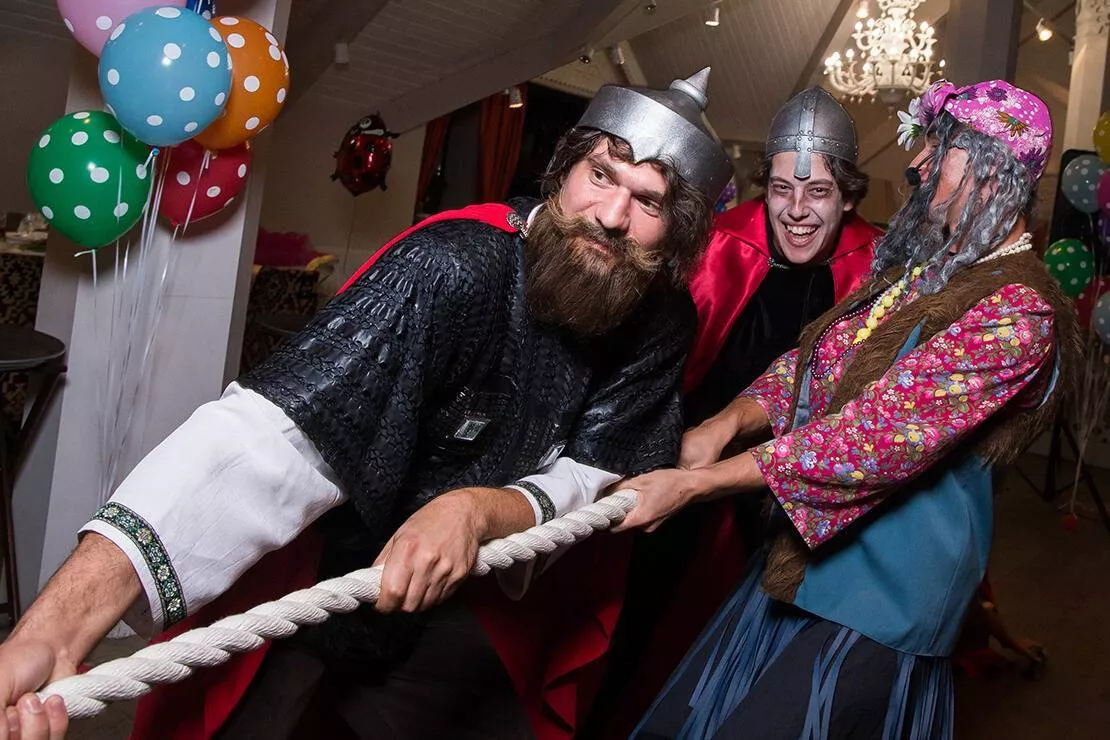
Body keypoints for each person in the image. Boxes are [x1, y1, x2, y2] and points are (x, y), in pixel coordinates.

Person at [0, 70, 732, 740]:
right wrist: (56, 631)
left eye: (648, 201)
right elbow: (270, 437)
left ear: (680, 229)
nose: (611, 215)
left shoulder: (662, 320)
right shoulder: (453, 265)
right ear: (563, 168)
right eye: (600, 174)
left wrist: (477, 510)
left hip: (479, 591)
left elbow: (601, 469)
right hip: (329, 562)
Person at [618, 78, 1079, 739]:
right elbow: (813, 366)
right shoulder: (928, 272)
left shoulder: (1018, 312)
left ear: (989, 168)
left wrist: (697, 484)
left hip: (881, 606)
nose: (917, 162)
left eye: (938, 147)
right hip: (805, 571)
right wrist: (722, 424)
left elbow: (869, 441)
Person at [581, 87, 881, 738]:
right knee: (642, 633)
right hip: (684, 474)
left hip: (804, 497)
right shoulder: (718, 244)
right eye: (781, 189)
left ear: (850, 197)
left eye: (819, 192)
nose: (796, 211)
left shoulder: (879, 270)